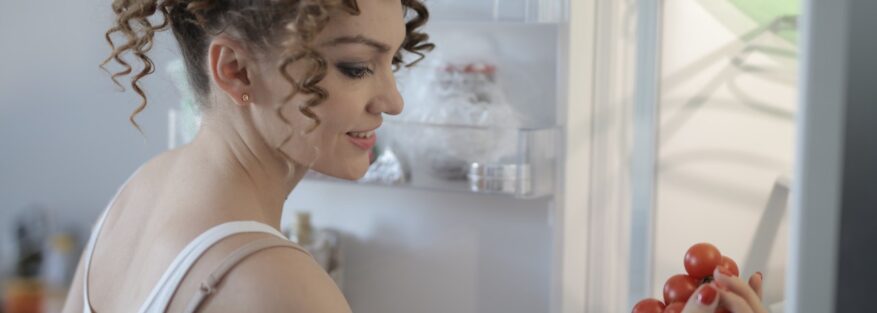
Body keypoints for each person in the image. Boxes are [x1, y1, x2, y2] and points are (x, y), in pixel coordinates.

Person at [62, 0, 431, 312]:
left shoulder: (137, 192)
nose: (394, 101)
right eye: (357, 68)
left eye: (393, 61)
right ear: (236, 71)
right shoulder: (282, 287)